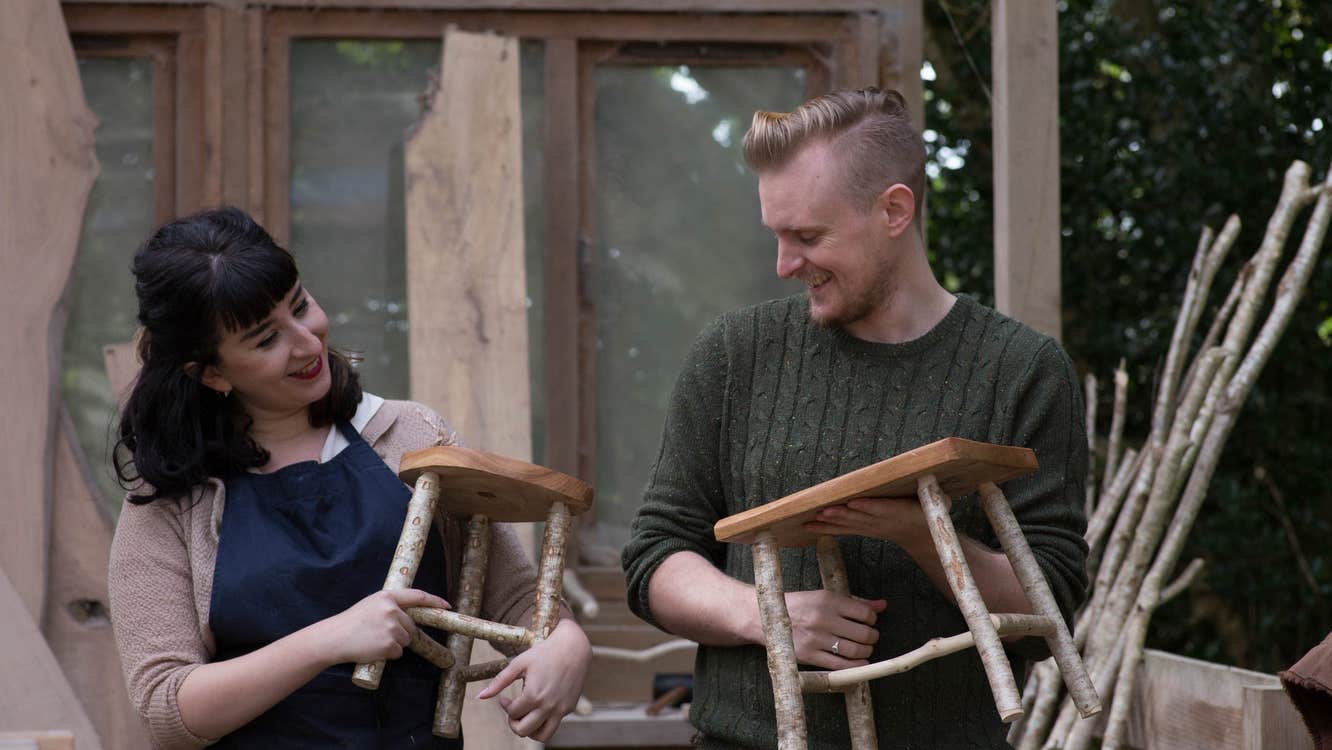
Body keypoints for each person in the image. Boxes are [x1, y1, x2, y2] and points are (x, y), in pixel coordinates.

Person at [621, 88, 1089, 748]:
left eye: (808, 237)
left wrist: (920, 534)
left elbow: (1052, 613)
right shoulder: (734, 355)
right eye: (777, 236)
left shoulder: (1024, 371)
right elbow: (655, 557)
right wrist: (768, 614)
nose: (784, 265)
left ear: (894, 210)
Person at [109, 207, 590, 749]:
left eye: (300, 306)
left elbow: (516, 596)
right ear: (212, 372)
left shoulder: (411, 435)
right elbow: (166, 708)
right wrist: (330, 639)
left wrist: (568, 644)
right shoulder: (169, 500)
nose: (308, 343)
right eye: (266, 339)